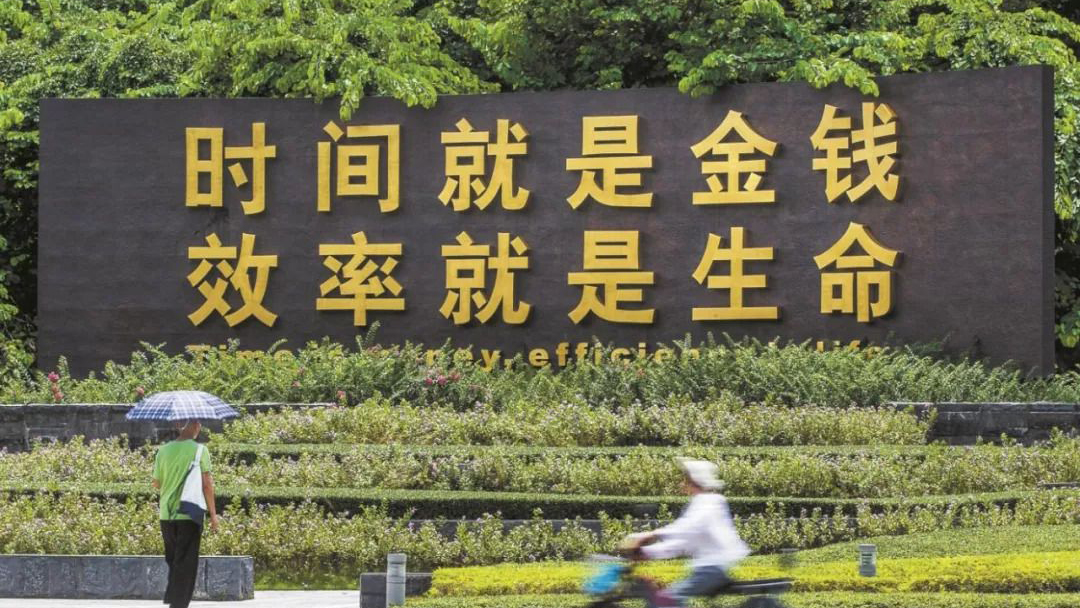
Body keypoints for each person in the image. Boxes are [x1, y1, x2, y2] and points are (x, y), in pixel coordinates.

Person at [621, 458, 749, 608]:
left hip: (712, 570)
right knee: (663, 598)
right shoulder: (702, 503)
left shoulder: (709, 502)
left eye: (685, 479)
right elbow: (682, 543)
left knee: (666, 601)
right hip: (707, 570)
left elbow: (687, 528)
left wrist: (650, 535)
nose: (682, 483)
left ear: (693, 481)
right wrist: (646, 552)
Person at [151, 420, 219, 608]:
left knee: (174, 560)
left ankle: (174, 599)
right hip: (189, 513)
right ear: (195, 426)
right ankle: (178, 604)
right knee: (186, 564)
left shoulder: (163, 451)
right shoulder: (200, 450)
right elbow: (207, 485)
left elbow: (156, 483)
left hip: (166, 515)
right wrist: (213, 515)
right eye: (199, 425)